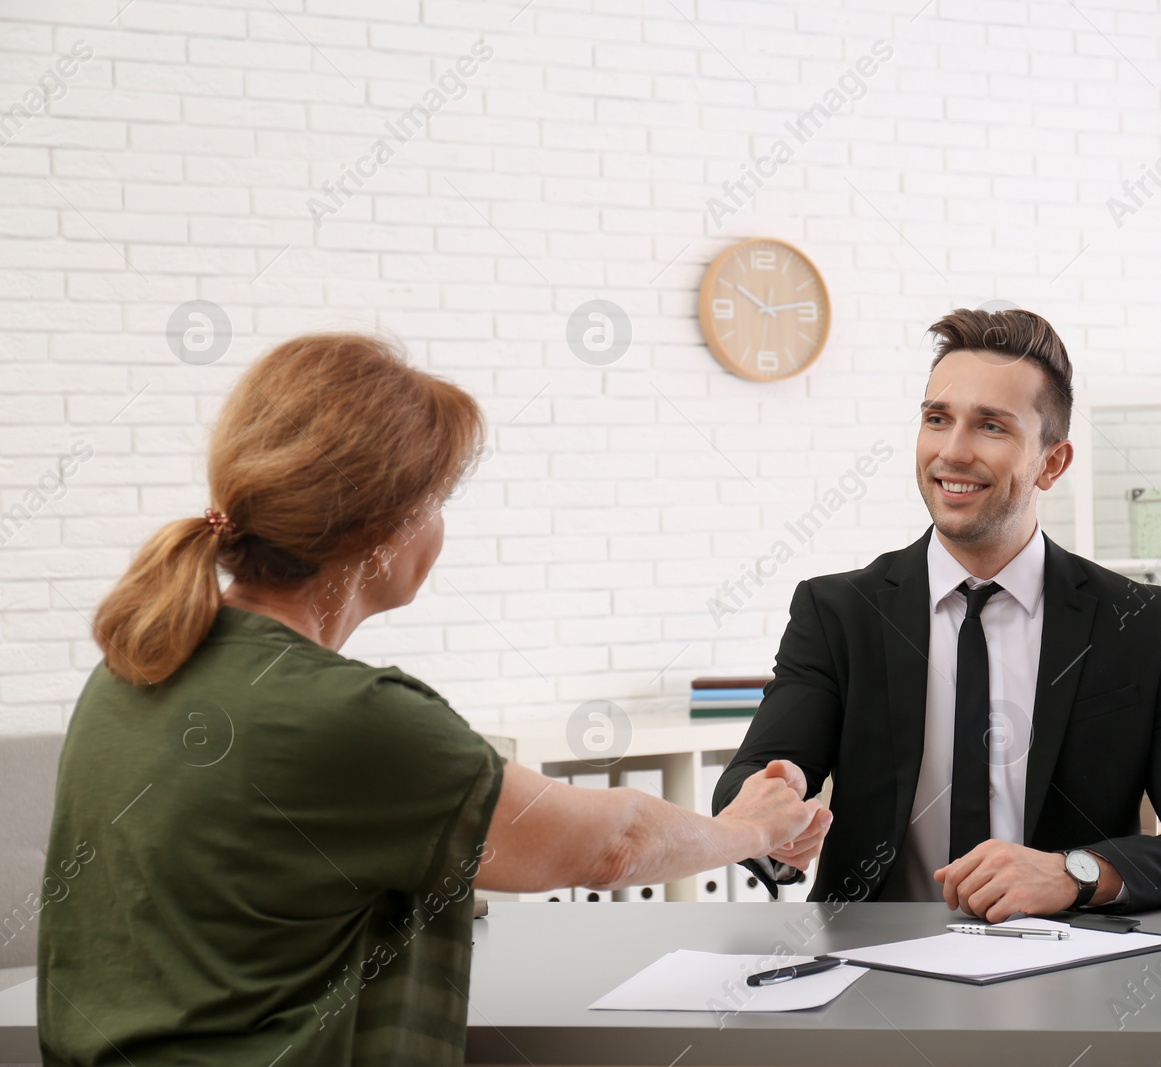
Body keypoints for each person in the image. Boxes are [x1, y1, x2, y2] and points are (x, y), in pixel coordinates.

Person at [37, 333, 817, 1067]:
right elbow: (612, 844)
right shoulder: (355, 719)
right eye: (437, 500)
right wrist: (747, 829)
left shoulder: (134, 665)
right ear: (384, 527)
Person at [713, 307, 1161, 919]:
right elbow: (754, 773)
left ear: (1052, 463)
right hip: (874, 973)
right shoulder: (838, 612)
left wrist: (1076, 873)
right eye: (937, 419)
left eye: (990, 427)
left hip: (1071, 978)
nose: (952, 453)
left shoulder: (1139, 624)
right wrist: (766, 814)